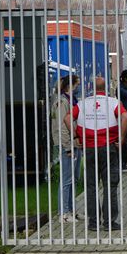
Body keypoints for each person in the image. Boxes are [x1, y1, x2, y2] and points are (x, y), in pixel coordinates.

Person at [65, 77, 127, 231]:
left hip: (88, 148)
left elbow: (67, 118)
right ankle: (109, 222)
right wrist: (121, 138)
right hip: (109, 148)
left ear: (92, 88)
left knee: (91, 186)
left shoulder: (82, 104)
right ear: (105, 88)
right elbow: (126, 117)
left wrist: (75, 136)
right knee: (110, 185)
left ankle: (93, 223)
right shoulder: (113, 102)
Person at [51, 74, 82, 223]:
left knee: (74, 178)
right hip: (67, 144)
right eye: (78, 85)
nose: (79, 88)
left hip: (75, 143)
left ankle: (71, 209)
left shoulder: (71, 100)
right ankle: (63, 213)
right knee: (66, 179)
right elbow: (62, 126)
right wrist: (68, 147)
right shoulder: (62, 101)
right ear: (72, 85)